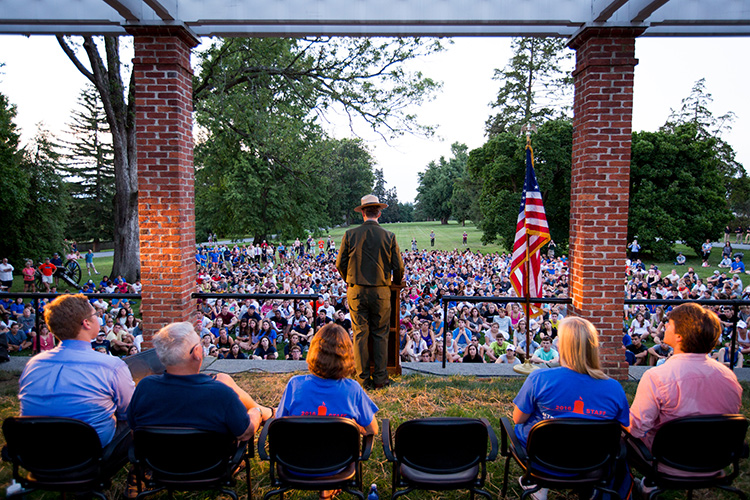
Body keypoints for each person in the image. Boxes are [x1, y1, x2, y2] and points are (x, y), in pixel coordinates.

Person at [512, 317, 629, 500]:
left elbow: (518, 419)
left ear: (562, 346)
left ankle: (540, 485)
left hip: (542, 460)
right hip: (593, 460)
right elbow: (622, 428)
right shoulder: (614, 388)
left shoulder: (539, 379)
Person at [18, 294, 135, 476]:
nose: (98, 317)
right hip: (90, 454)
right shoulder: (111, 366)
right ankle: (138, 478)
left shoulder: (33, 364)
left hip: (37, 454)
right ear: (87, 323)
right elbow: (129, 412)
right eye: (95, 314)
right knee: (138, 419)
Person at [628, 303, 742, 487]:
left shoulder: (658, 376)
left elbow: (636, 428)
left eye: (669, 324)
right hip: (715, 462)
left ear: (680, 336)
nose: (664, 326)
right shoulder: (729, 377)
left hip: (667, 463)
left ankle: (632, 487)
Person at [127, 320, 272, 451]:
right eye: (200, 344)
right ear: (197, 352)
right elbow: (245, 433)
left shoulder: (144, 388)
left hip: (159, 469)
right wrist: (256, 412)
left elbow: (134, 431)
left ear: (159, 356)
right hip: (211, 470)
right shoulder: (220, 393)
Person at [336, 194, 404, 389]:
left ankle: (362, 379)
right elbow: (398, 267)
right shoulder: (389, 236)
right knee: (381, 334)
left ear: (363, 213)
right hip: (382, 292)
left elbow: (340, 263)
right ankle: (381, 379)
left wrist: (350, 280)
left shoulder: (350, 235)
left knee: (359, 334)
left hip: (356, 291)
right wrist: (396, 283)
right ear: (379, 213)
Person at [277, 323, 378, 435]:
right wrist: (355, 427)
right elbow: (372, 429)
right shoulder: (353, 389)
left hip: (298, 452)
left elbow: (280, 424)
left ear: (314, 351)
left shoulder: (295, 384)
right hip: (341, 452)